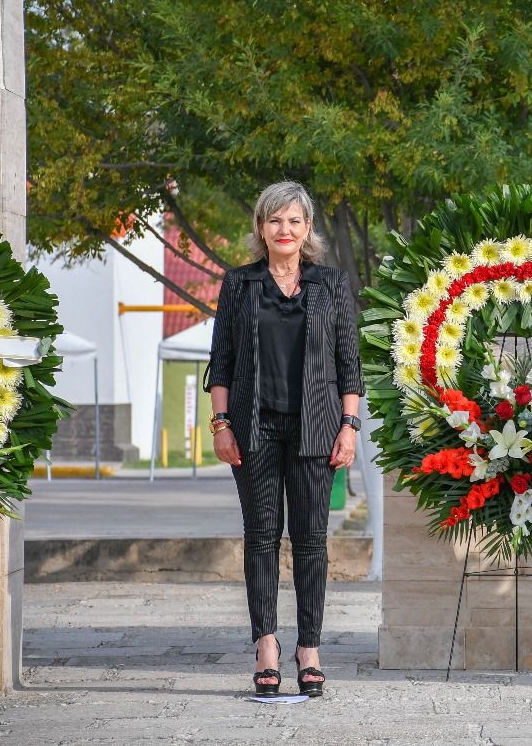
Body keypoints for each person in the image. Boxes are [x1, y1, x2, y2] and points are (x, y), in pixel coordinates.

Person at [206, 181, 364, 697]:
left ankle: (310, 648)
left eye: (294, 220)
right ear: (260, 227)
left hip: (316, 429)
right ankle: (267, 645)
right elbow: (222, 363)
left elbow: (349, 365)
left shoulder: (332, 285)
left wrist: (349, 425)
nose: (285, 229)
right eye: (275, 220)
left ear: (308, 228)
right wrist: (222, 424)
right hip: (254, 430)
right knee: (261, 538)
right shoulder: (239, 285)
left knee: (313, 541)